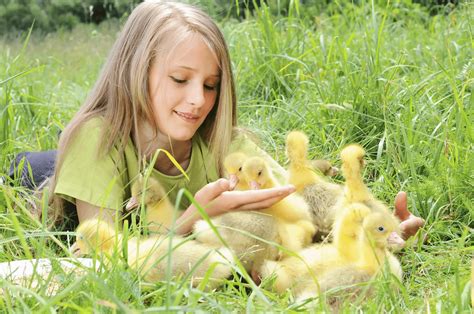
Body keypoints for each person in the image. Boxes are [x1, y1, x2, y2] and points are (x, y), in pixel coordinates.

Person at [16, 1, 423, 240]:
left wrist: (375, 228)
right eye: (180, 79)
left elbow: (296, 197)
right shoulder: (99, 138)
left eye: (211, 85)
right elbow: (102, 256)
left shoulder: (221, 140)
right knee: (36, 165)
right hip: (40, 173)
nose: (198, 101)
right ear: (135, 71)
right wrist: (197, 217)